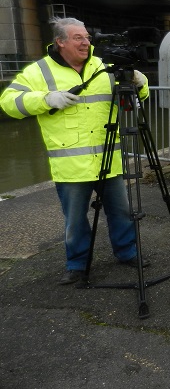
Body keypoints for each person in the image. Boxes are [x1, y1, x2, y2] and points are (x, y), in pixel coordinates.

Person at [0, 17, 151, 285]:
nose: (85, 42)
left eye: (87, 37)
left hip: (109, 160)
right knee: (75, 221)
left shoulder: (104, 65)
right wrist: (46, 99)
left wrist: (139, 83)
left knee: (122, 213)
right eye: (78, 38)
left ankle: (127, 253)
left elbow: (137, 101)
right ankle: (77, 265)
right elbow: (8, 102)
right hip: (70, 165)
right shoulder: (39, 72)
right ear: (60, 42)